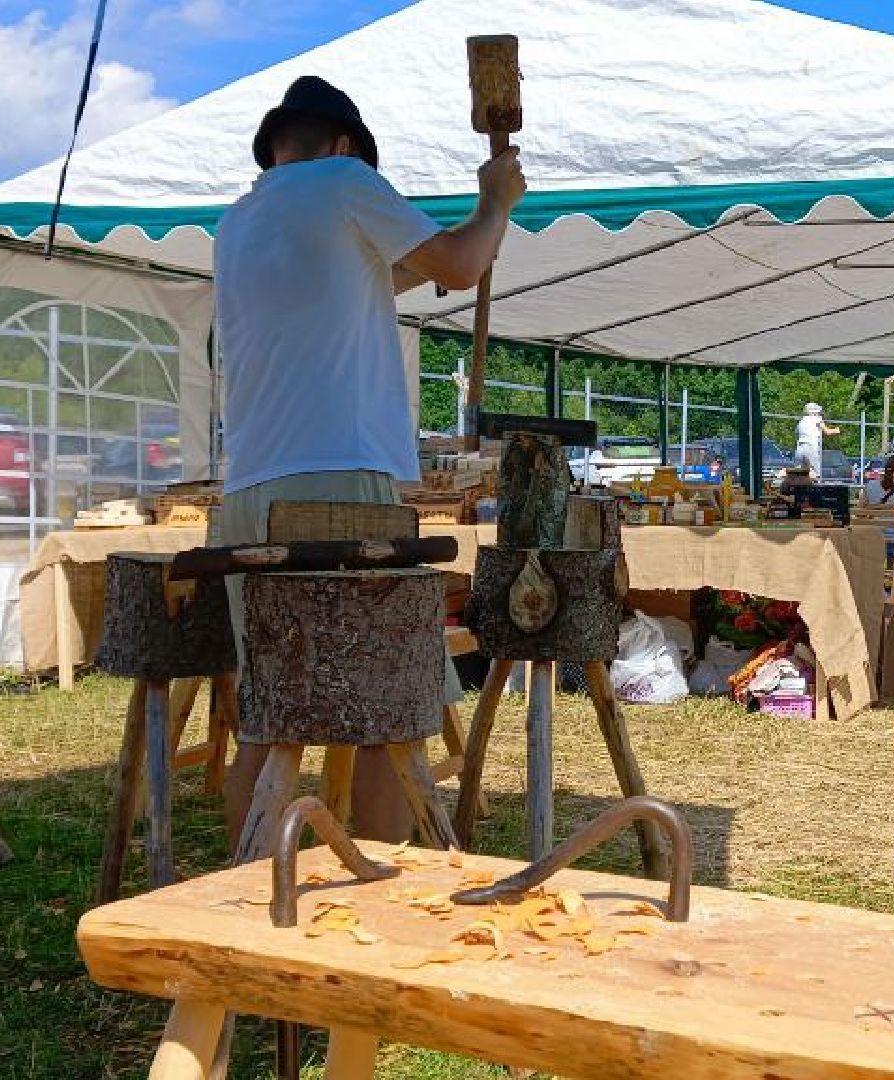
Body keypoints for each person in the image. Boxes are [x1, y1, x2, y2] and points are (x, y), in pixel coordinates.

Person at [212, 75, 525, 843]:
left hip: (250, 490)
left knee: (268, 714)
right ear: (346, 146)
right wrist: (496, 206)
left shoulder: (240, 220)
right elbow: (458, 267)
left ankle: (251, 892)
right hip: (338, 481)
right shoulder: (346, 182)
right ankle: (383, 895)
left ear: (276, 147)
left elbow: (387, 276)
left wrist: (459, 231)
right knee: (386, 711)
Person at [794, 403, 839, 480]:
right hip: (811, 447)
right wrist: (837, 430)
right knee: (816, 474)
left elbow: (797, 432)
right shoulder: (817, 419)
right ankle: (814, 489)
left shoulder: (802, 421)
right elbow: (827, 431)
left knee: (799, 473)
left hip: (799, 448)